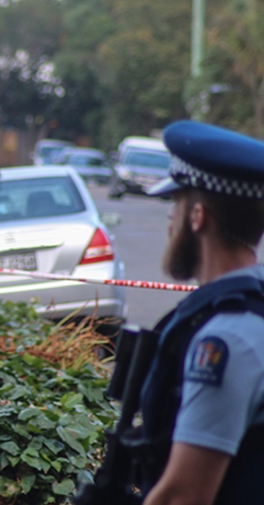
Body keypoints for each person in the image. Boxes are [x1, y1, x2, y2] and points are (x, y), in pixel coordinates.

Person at [134, 120, 264, 505]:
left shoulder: (225, 339)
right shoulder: (244, 311)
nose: (170, 220)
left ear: (197, 216)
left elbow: (185, 495)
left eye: (176, 203)